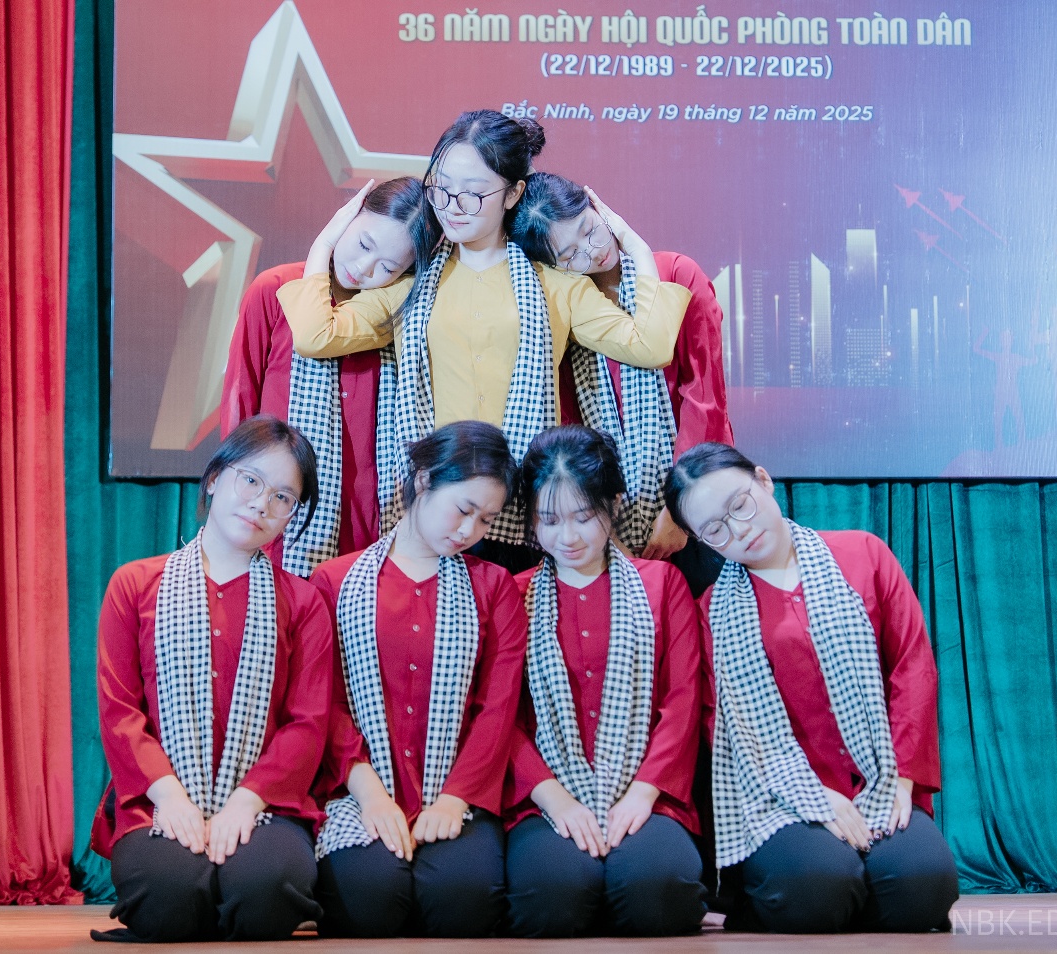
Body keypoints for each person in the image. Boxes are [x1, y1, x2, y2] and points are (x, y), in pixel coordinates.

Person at [279, 109, 691, 572]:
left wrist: (634, 247)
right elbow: (316, 336)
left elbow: (650, 346)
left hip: (521, 509)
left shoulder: (557, 286)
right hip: (433, 506)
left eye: (473, 194)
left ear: (513, 193)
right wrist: (325, 244)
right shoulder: (410, 289)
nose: (452, 207)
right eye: (441, 188)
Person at [666, 442, 959, 933]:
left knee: (923, 888)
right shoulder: (711, 610)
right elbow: (730, 730)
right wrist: (810, 797)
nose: (739, 530)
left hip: (880, 778)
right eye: (715, 529)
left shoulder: (864, 554)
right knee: (817, 891)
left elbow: (913, 669)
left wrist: (902, 778)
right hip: (782, 798)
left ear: (763, 481)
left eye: (740, 504)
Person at [90, 416, 334, 942]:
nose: (262, 504)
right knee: (166, 897)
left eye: (283, 497)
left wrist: (246, 801)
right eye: (251, 480)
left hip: (264, 804)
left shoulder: (303, 603)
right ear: (216, 477)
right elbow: (119, 712)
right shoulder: (134, 584)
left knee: (270, 893)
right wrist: (171, 798)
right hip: (160, 797)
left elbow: (308, 723)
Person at [310, 420, 528, 937]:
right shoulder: (334, 581)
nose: (469, 531)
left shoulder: (494, 587)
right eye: (463, 509)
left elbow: (497, 709)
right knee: (368, 902)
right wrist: (369, 793)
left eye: (486, 520)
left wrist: (455, 797)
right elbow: (325, 703)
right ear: (425, 479)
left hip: (458, 794)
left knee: (463, 903)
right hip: (358, 790)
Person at [503, 426, 706, 937]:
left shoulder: (662, 584)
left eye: (583, 516)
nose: (567, 537)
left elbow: (682, 701)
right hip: (546, 795)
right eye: (549, 520)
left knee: (661, 892)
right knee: (550, 899)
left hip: (648, 791)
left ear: (613, 505)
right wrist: (556, 800)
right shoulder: (513, 595)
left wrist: (643, 793)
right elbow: (502, 716)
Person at [509, 171, 732, 591]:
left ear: (596, 207)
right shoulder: (566, 307)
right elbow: (569, 417)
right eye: (569, 255)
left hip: (698, 491)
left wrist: (681, 505)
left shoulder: (676, 274)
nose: (592, 252)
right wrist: (600, 521)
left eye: (589, 230)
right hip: (606, 518)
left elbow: (704, 397)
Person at [221, 177, 441, 577]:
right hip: (280, 510)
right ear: (349, 216)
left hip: (374, 513)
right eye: (364, 245)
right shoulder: (276, 290)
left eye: (388, 267)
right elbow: (242, 397)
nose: (363, 269)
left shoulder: (397, 315)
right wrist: (237, 490)